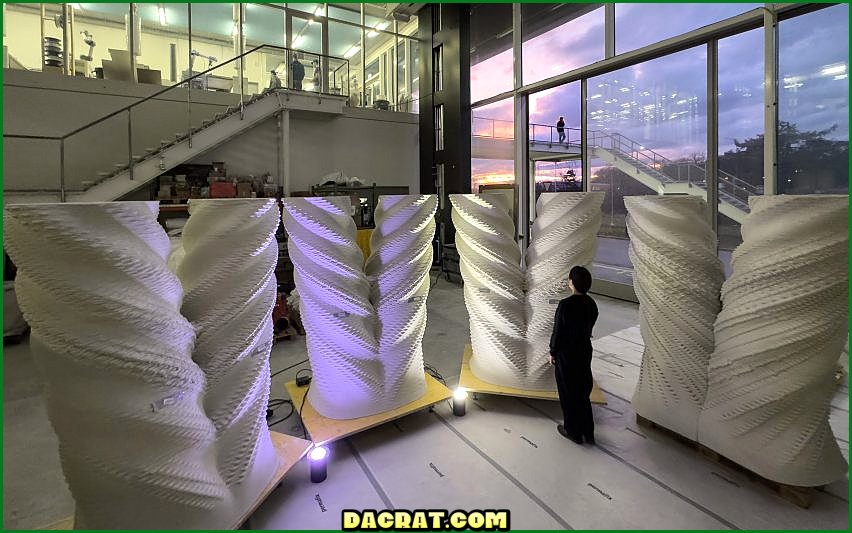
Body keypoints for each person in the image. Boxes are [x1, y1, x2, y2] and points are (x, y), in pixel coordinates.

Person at [549, 265, 598, 445]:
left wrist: (553, 352)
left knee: (568, 392)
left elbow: (558, 332)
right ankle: (588, 432)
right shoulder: (591, 304)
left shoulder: (566, 305)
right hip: (584, 350)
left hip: (567, 354)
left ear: (572, 282)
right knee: (583, 391)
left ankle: (573, 431)